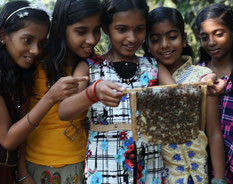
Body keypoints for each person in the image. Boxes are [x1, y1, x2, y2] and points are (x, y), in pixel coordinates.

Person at [58, 0, 178, 183]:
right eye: (122, 29)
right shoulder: (89, 68)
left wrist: (205, 81)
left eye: (139, 29)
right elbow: (64, 111)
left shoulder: (154, 67)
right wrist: (92, 93)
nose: (131, 38)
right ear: (106, 28)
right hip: (104, 167)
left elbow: (180, 98)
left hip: (150, 166)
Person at [0, 1, 87, 183]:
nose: (35, 50)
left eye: (41, 43)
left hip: (6, 170)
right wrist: (50, 97)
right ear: (3, 36)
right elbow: (8, 139)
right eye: (27, 40)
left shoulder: (17, 73)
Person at [17, 0, 103, 184]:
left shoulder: (97, 67)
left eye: (97, 30)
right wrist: (22, 173)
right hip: (35, 167)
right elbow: (20, 119)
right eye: (81, 31)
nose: (92, 39)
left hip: (81, 166)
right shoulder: (35, 62)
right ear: (59, 28)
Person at [143, 6, 226, 184]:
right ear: (147, 45)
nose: (165, 44)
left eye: (172, 37)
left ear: (184, 39)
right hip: (158, 177)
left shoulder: (202, 76)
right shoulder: (145, 81)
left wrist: (219, 179)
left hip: (197, 176)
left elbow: (214, 133)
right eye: (156, 39)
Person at [196, 3, 233, 184]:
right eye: (205, 37)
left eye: (218, 34)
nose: (211, 42)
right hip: (201, 164)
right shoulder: (196, 75)